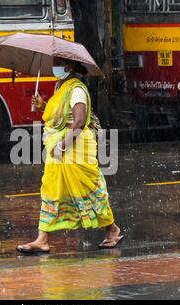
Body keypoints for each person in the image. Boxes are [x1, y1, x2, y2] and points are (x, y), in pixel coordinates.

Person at [16, 57, 123, 254]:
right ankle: (42, 239)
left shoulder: (77, 90)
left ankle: (112, 229)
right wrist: (43, 105)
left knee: (87, 190)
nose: (54, 68)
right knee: (51, 188)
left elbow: (80, 121)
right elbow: (62, 115)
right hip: (59, 148)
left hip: (76, 148)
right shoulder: (60, 87)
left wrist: (63, 145)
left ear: (69, 67)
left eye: (57, 64)